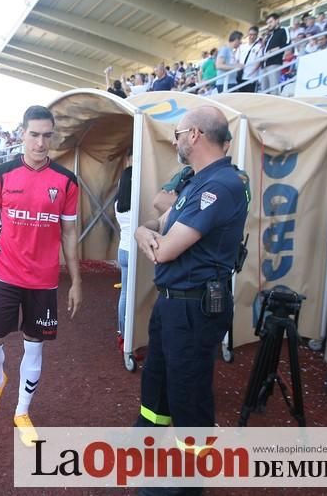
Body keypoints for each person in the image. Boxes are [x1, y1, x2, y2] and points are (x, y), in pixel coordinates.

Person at [132, 108, 249, 494]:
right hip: (173, 304)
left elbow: (164, 248)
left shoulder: (222, 185)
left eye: (179, 132)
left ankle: (186, 481)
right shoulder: (198, 182)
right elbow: (155, 227)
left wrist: (149, 240)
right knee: (158, 383)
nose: (175, 139)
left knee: (189, 393)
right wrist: (141, 233)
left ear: (195, 135)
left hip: (193, 307)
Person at [0, 105, 82, 448]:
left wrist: (76, 280)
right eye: (34, 135)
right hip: (5, 276)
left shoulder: (66, 181)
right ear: (22, 134)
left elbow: (70, 234)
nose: (40, 143)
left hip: (44, 281)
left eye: (47, 135)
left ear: (54, 136)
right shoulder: (1, 175)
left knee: (35, 349)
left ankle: (22, 411)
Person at [114, 160, 132, 353]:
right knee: (130, 294)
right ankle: (127, 333)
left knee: (125, 294)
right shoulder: (136, 206)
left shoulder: (119, 204)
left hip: (122, 250)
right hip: (133, 252)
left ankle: (123, 331)